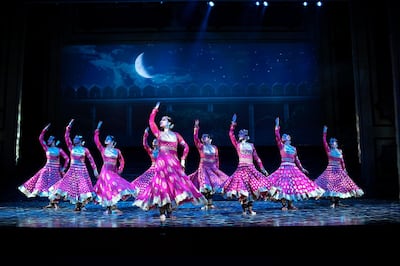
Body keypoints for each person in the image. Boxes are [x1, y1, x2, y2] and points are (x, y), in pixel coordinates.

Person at [133, 102, 206, 222]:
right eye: (161, 119)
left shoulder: (176, 135)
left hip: (174, 164)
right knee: (161, 186)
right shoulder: (159, 134)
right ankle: (162, 211)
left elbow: (186, 147)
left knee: (173, 186)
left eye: (164, 119)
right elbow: (151, 122)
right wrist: (155, 110)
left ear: (170, 124)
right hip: (162, 163)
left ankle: (169, 210)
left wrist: (182, 160)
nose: (161, 121)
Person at [266, 117, 324, 210]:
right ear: (283, 139)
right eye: (284, 136)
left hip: (293, 168)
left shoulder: (293, 148)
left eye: (286, 135)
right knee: (283, 187)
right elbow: (277, 135)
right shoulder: (281, 146)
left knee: (292, 187)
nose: (285, 136)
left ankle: (290, 204)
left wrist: (302, 168)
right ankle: (284, 205)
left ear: (289, 138)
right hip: (284, 168)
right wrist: (277, 126)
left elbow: (297, 159)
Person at [222, 113, 271, 216]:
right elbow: (231, 134)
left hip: (251, 169)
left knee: (253, 190)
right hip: (241, 169)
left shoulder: (251, 145)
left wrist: (262, 169)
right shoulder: (237, 144)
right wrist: (233, 124)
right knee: (243, 191)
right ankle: (244, 210)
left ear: (245, 136)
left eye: (241, 133)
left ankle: (250, 209)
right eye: (239, 133)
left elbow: (257, 158)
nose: (239, 135)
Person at [48, 119, 98, 212]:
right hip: (72, 171)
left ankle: (80, 205)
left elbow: (91, 160)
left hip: (82, 171)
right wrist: (69, 127)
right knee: (72, 187)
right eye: (74, 138)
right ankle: (76, 204)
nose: (74, 139)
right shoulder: (71, 148)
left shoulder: (85, 149)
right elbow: (66, 137)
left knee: (82, 188)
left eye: (76, 138)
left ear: (80, 140)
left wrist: (95, 170)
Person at [18, 123, 69, 209]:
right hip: (47, 169)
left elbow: (67, 158)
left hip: (55, 171)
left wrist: (63, 168)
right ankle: (52, 203)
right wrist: (45, 130)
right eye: (48, 139)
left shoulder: (59, 150)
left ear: (53, 141)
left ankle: (54, 203)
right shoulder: (47, 148)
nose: (48, 140)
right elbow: (40, 139)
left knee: (55, 186)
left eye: (50, 139)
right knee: (45, 185)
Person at [314, 125, 364, 208]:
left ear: (336, 143)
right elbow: (324, 141)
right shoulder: (329, 150)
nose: (332, 144)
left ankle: (337, 202)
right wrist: (324, 132)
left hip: (339, 170)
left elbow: (342, 161)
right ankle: (333, 202)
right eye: (331, 142)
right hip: (330, 170)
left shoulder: (339, 151)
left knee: (340, 185)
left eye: (334, 142)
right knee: (330, 186)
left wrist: (344, 169)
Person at [93, 121, 137, 214]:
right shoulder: (103, 149)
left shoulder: (117, 151)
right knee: (107, 187)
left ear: (113, 142)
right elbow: (96, 140)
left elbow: (122, 160)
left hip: (114, 172)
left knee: (114, 187)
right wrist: (98, 129)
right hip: (105, 171)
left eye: (108, 139)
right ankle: (109, 207)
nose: (106, 139)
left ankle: (112, 206)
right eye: (106, 138)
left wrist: (121, 169)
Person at [187, 119, 230, 210]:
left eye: (206, 137)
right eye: (203, 137)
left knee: (214, 186)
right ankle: (207, 203)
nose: (203, 138)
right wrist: (196, 127)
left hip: (213, 169)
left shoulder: (214, 148)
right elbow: (195, 138)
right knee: (206, 187)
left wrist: (217, 171)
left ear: (210, 139)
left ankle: (209, 204)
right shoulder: (201, 146)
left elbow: (217, 159)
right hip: (203, 168)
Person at [131, 127, 159, 198]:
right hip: (152, 169)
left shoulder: (163, 151)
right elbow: (145, 144)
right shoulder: (151, 151)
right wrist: (145, 134)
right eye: (153, 141)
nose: (154, 142)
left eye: (156, 141)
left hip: (160, 169)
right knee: (143, 180)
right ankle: (146, 196)